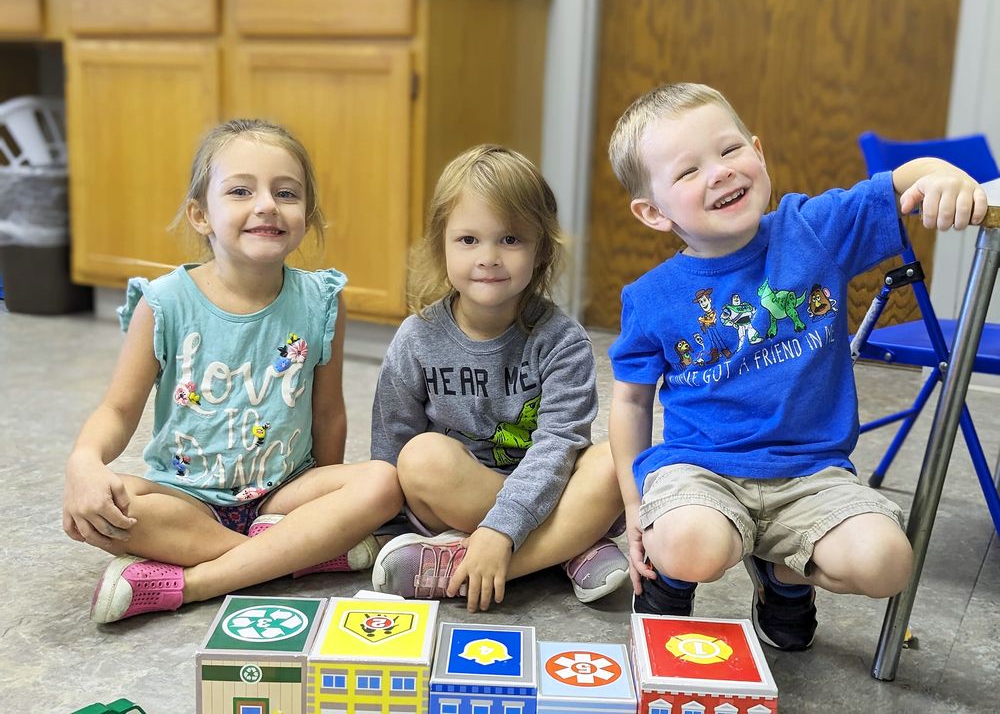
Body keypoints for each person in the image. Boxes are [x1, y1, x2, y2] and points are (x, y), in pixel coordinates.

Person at [606, 82, 988, 650]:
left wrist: (946, 175)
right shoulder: (651, 296)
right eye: (688, 171)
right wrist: (635, 505)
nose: (720, 172)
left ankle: (782, 576)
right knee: (691, 542)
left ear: (758, 152)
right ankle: (668, 584)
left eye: (730, 150)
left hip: (812, 474)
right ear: (653, 212)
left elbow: (899, 181)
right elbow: (631, 400)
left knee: (887, 562)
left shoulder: (812, 230)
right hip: (702, 470)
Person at [62, 119, 403, 624]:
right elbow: (117, 409)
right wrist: (85, 462)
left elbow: (327, 412)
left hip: (283, 495)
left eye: (285, 192)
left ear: (305, 216)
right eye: (241, 190)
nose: (266, 204)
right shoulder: (164, 304)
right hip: (186, 497)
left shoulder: (321, 301)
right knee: (94, 511)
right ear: (201, 215)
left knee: (383, 483)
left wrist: (321, 502)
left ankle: (200, 582)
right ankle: (298, 554)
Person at [369, 144, 627, 612]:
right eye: (468, 240)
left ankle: (459, 567)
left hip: (543, 486)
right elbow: (391, 443)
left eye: (510, 240)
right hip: (456, 496)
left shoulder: (562, 340)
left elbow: (558, 446)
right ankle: (570, 545)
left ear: (541, 249)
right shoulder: (417, 337)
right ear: (440, 245)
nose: (488, 257)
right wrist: (386, 529)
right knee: (421, 457)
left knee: (614, 461)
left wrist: (500, 529)